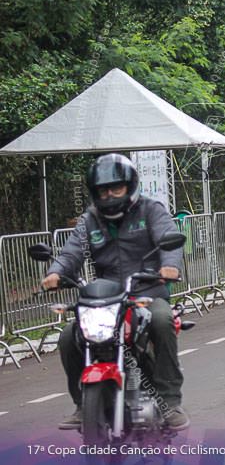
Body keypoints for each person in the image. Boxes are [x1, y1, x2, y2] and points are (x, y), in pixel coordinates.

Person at [41, 154, 189, 431]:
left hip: (147, 292)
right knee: (67, 336)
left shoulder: (150, 210)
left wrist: (169, 266)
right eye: (102, 190)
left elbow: (169, 239)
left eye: (115, 188)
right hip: (104, 300)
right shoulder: (91, 220)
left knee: (160, 320)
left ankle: (170, 400)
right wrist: (55, 273)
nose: (109, 195)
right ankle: (82, 403)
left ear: (129, 186)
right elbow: (72, 251)